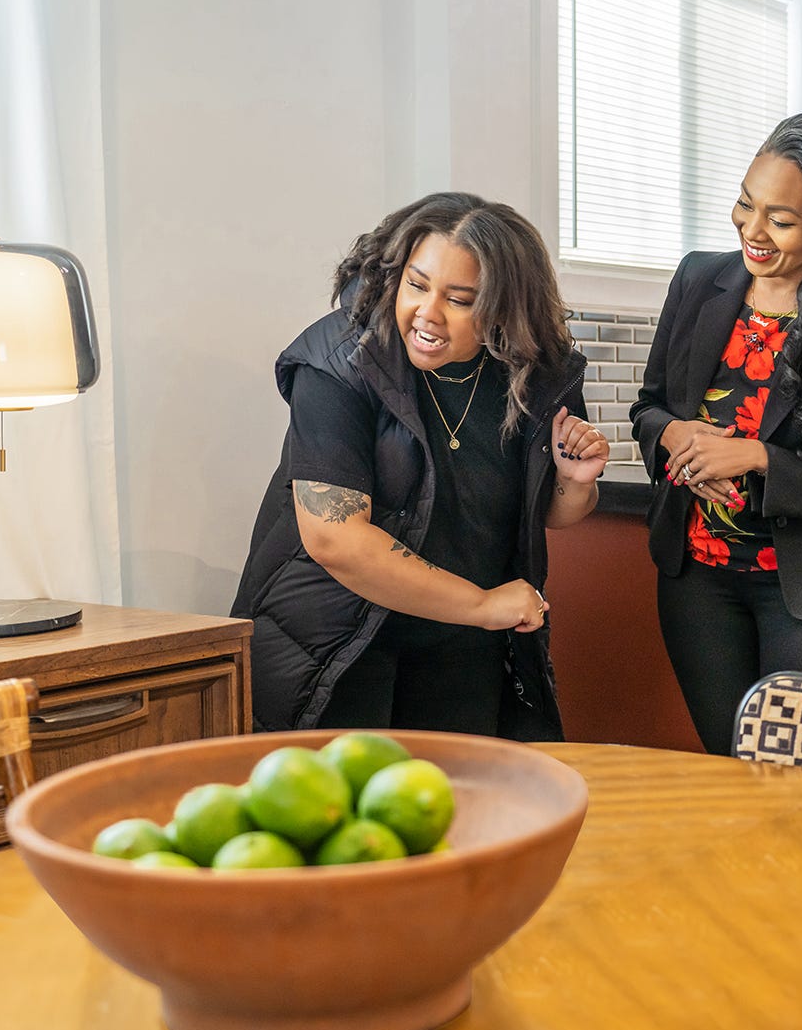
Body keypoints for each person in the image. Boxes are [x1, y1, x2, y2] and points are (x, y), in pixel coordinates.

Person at [232, 192, 608, 738]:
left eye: (460, 299)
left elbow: (551, 512)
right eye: (416, 284)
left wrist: (574, 484)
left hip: (462, 649)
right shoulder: (339, 358)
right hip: (336, 645)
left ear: (504, 307)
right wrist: (482, 604)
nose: (427, 314)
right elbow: (334, 538)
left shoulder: (532, 374)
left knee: (463, 814)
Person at [631, 112, 802, 756]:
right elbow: (649, 409)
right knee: (730, 781)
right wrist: (679, 440)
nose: (752, 231)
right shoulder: (699, 279)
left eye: (780, 220)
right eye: (744, 204)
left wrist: (756, 456)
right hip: (697, 584)